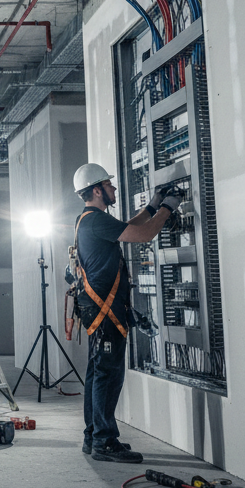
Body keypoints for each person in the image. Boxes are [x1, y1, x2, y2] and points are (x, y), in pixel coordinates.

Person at [72, 162, 182, 463]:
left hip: (99, 311)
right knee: (108, 375)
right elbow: (144, 234)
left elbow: (131, 226)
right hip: (105, 313)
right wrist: (169, 208)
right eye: (109, 185)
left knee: (99, 373)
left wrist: (153, 205)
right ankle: (104, 442)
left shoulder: (92, 219)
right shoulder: (95, 220)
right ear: (97, 190)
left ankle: (94, 436)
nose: (114, 188)